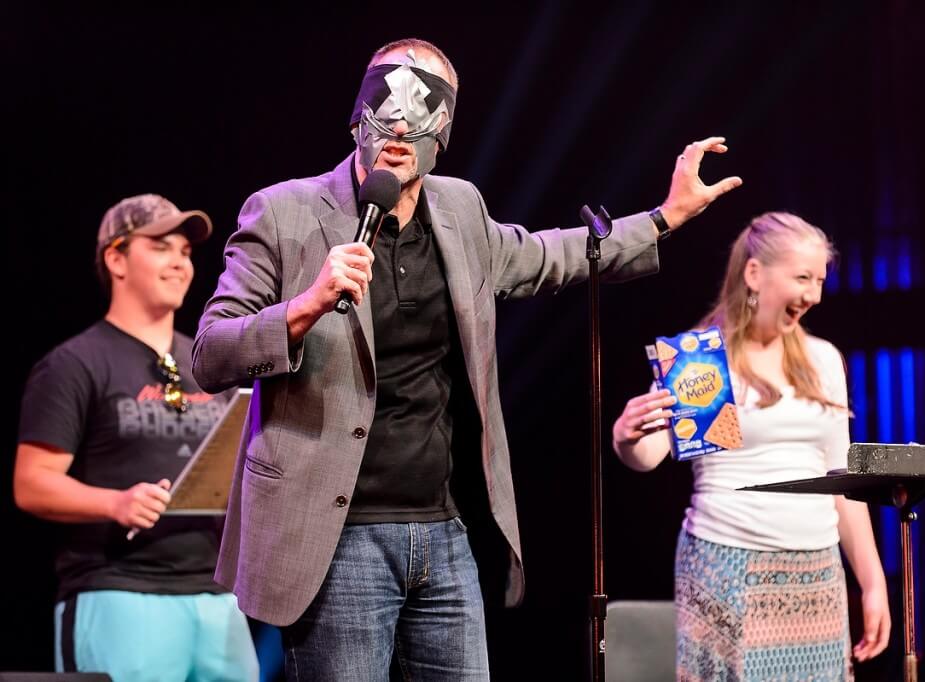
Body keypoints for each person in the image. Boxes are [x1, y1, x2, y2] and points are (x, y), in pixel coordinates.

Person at [191, 37, 741, 680]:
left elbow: (553, 255)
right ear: (356, 113)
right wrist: (305, 306)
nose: (400, 127)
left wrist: (665, 216)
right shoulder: (283, 212)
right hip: (336, 537)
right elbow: (211, 352)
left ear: (444, 127)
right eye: (385, 104)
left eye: (423, 111)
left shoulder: (461, 209)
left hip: (445, 532)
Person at [612, 211, 890, 680]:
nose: (813, 295)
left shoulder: (823, 359)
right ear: (754, 272)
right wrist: (627, 436)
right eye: (802, 277)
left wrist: (872, 581)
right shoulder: (701, 357)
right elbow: (648, 455)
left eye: (820, 280)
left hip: (817, 572)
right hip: (727, 562)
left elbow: (841, 482)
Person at [14, 194, 259, 682]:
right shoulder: (74, 364)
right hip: (120, 593)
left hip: (216, 598)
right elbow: (32, 483)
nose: (179, 262)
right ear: (116, 257)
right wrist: (116, 503)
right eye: (161, 246)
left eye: (186, 252)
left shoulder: (206, 364)